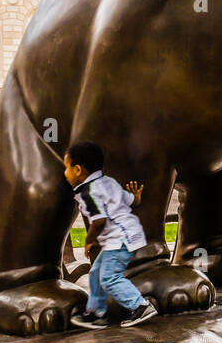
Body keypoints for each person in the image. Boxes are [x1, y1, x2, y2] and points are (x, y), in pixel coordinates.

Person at [63, 141, 157, 329]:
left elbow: (99, 221)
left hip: (120, 240)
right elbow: (129, 200)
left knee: (109, 277)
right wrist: (136, 197)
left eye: (67, 168)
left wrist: (89, 241)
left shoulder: (89, 193)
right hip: (123, 236)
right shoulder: (107, 182)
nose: (65, 173)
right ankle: (96, 313)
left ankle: (140, 305)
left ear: (78, 170)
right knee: (96, 273)